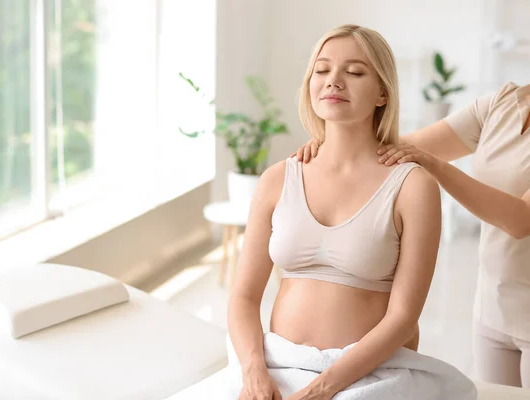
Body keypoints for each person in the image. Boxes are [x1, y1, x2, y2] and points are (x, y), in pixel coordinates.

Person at [227, 24, 442, 399]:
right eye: (322, 70)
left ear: (382, 94)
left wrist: (321, 390)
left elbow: (404, 318)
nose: (333, 81)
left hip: (369, 375)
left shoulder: (413, 186)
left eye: (355, 72)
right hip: (277, 368)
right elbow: (244, 297)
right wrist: (254, 372)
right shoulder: (278, 179)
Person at [293, 78, 530, 388]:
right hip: (492, 308)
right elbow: (396, 149)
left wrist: (435, 166)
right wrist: (328, 147)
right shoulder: (503, 103)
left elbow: (521, 220)